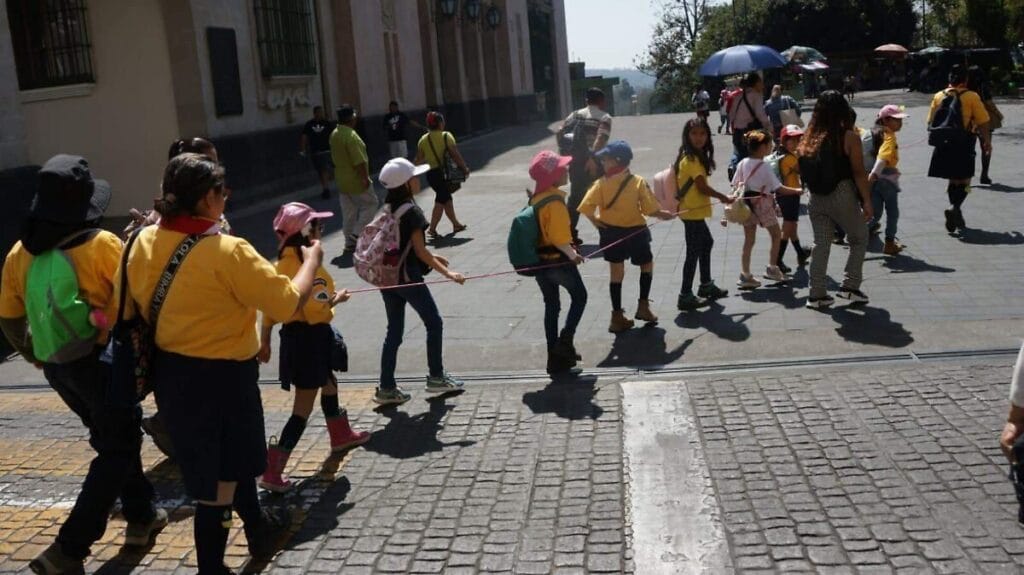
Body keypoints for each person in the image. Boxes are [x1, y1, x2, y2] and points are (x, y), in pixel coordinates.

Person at [123, 153, 323, 573]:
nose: (227, 196)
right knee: (218, 485)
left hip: (172, 373)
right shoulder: (228, 251)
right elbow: (287, 303)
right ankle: (212, 567)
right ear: (205, 200)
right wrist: (311, 263)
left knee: (214, 469)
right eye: (221, 190)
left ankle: (258, 532)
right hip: (224, 380)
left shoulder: (142, 241)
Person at [0, 155, 167, 574]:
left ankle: (143, 516)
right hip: (104, 364)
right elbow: (138, 304)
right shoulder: (103, 245)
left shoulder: (19, 253)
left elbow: (8, 317)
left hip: (60, 366)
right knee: (116, 447)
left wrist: (36, 355)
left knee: (114, 436)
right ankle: (69, 550)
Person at [258, 202, 370, 493]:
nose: (321, 229)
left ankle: (341, 434)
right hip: (310, 340)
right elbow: (318, 308)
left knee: (329, 384)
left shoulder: (280, 263)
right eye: (317, 225)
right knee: (301, 409)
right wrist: (336, 300)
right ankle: (273, 469)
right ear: (307, 231)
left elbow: (271, 308)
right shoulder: (309, 266)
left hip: (296, 340)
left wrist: (265, 338)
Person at [374, 157, 467, 406]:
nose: (418, 180)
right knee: (434, 322)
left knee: (393, 332)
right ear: (405, 184)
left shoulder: (388, 208)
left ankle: (386, 387)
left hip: (388, 279)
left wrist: (432, 255)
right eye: (414, 177)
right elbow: (420, 251)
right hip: (407, 279)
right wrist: (450, 274)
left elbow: (406, 247)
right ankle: (436, 376)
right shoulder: (412, 212)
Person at [577, 140, 674, 332]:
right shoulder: (637, 182)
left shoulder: (600, 184)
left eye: (605, 159)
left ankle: (617, 316)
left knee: (616, 273)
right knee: (646, 264)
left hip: (610, 233)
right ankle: (643, 306)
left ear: (617, 161)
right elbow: (649, 209)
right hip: (636, 232)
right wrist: (664, 214)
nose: (602, 162)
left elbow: (586, 207)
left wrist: (596, 222)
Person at [797, 90, 873, 309]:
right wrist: (867, 200)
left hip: (816, 198)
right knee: (859, 237)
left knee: (821, 244)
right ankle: (850, 287)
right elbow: (859, 172)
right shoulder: (848, 137)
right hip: (841, 194)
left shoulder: (808, 137)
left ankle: (817, 294)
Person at [525, 150, 588, 375]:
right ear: (553, 176)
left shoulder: (536, 198)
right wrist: (574, 255)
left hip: (540, 263)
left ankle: (554, 356)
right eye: (563, 168)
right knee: (580, 297)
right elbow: (560, 238)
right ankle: (565, 341)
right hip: (559, 262)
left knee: (551, 306)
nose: (568, 170)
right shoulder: (556, 202)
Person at [672, 118, 732, 311]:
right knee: (693, 252)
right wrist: (723, 196)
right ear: (687, 136)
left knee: (706, 243)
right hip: (691, 211)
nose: (698, 138)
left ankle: (705, 285)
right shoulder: (691, 159)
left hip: (692, 211)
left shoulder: (694, 155)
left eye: (702, 133)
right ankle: (685, 295)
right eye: (694, 134)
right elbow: (701, 187)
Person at [731, 130, 804, 289]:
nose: (772, 147)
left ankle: (746, 275)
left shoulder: (742, 163)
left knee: (749, 241)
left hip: (746, 204)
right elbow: (779, 188)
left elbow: (735, 184)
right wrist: (796, 191)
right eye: (770, 144)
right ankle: (772, 267)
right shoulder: (764, 165)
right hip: (763, 204)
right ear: (763, 147)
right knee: (776, 234)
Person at [927, 64, 991, 235]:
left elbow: (931, 121)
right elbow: (984, 121)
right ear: (966, 79)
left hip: (944, 144)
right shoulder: (971, 96)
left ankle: (957, 212)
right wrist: (986, 141)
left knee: (953, 180)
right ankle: (955, 207)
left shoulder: (938, 96)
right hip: (964, 142)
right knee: (967, 181)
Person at [558, 87, 613, 245]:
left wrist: (564, 156)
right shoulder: (604, 117)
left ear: (586, 100)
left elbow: (559, 132)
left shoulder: (573, 115)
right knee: (604, 198)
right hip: (595, 163)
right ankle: (608, 235)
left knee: (575, 199)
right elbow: (601, 138)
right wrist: (591, 159)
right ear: (602, 101)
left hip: (575, 163)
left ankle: (569, 236)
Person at [330, 104, 378, 253]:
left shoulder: (335, 133)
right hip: (356, 179)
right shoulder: (351, 136)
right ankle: (356, 235)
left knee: (348, 212)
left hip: (341, 180)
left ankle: (348, 242)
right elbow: (359, 161)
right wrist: (365, 178)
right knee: (371, 204)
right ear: (352, 118)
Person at [415, 111, 470, 239]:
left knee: (446, 198)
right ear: (440, 123)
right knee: (441, 199)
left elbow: (419, 159)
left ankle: (456, 224)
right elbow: (455, 154)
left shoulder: (423, 139)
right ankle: (432, 229)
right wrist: (464, 168)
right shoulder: (446, 136)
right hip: (444, 174)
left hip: (431, 175)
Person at [868, 105, 909, 256]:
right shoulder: (889, 136)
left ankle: (857, 235)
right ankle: (890, 243)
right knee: (893, 212)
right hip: (886, 180)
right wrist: (873, 175)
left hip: (873, 181)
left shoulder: (872, 133)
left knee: (875, 213)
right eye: (897, 120)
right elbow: (882, 159)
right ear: (885, 120)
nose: (900, 123)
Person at [775, 124, 810, 272]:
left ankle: (800, 253)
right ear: (784, 141)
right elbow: (803, 170)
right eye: (792, 140)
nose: (796, 143)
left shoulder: (784, 154)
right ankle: (777, 260)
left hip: (787, 195)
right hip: (789, 195)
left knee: (792, 227)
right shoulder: (789, 158)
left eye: (798, 140)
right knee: (788, 227)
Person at [727, 72, 771, 181]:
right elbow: (760, 114)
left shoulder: (738, 96)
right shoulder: (756, 95)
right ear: (756, 83)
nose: (763, 85)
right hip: (750, 132)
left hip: (737, 132)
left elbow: (731, 116)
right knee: (753, 159)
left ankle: (735, 171)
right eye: (761, 82)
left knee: (740, 156)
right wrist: (770, 127)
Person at [967, 66, 1000, 186]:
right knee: (986, 146)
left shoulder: (965, 88)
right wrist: (998, 114)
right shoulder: (983, 87)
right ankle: (984, 175)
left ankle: (966, 176)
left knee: (967, 149)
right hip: (983, 119)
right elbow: (989, 102)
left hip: (968, 120)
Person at [300, 106, 336, 199]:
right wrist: (303, 149)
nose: (320, 114)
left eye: (321, 112)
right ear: (315, 113)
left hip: (326, 150)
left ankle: (326, 189)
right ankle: (325, 187)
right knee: (320, 170)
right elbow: (304, 137)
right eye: (318, 112)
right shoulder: (309, 124)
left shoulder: (327, 123)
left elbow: (334, 135)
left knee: (324, 169)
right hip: (315, 151)